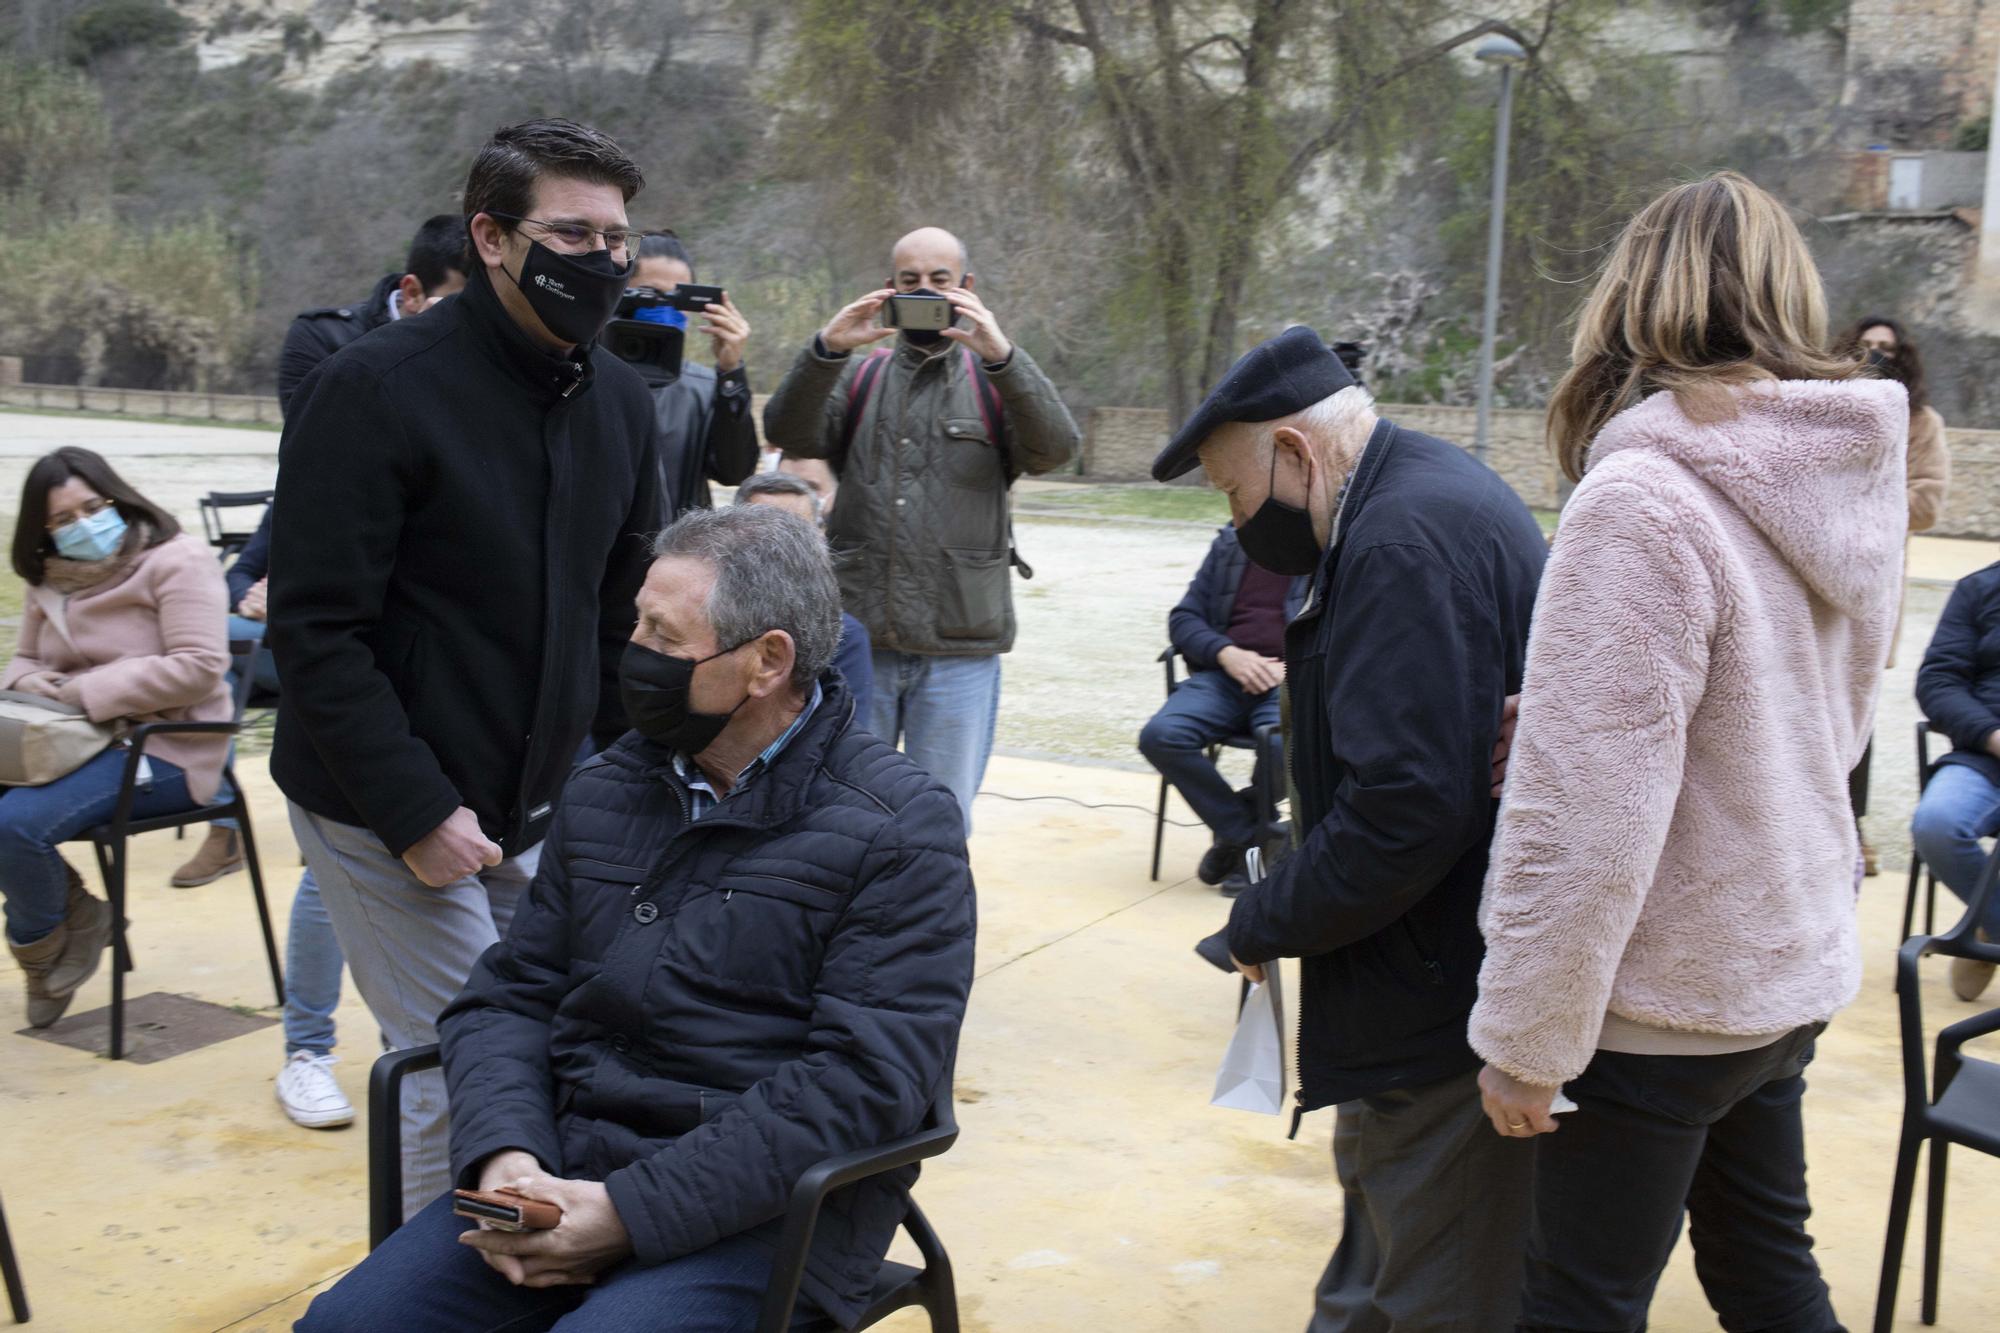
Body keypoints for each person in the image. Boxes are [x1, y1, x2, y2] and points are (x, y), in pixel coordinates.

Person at [295, 504, 975, 1333]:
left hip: (774, 1210)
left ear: (767, 660)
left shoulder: (897, 825)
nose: (635, 656)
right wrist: (507, 1154)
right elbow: (508, 997)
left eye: (663, 634)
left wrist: (626, 1211)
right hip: (562, 1171)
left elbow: (866, 1082)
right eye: (636, 626)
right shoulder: (609, 786)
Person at [1470, 172, 1906, 1331]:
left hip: (1662, 1001)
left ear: (1628, 293)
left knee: (1576, 1302)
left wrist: (1525, 1038)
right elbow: (1837, 724)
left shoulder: (1641, 498)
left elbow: (1588, 811)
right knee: (1766, 1267)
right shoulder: (1844, 485)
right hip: (1778, 964)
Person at [269, 119, 662, 1217]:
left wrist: (634, 799)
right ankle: (417, 1294)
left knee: (557, 1046)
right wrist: (414, 812)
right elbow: (316, 632)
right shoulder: (375, 388)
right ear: (491, 237)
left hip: (534, 798)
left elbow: (628, 624)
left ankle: (504, 1271)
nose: (602, 261)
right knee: (458, 1067)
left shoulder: (623, 405)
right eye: (571, 233)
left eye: (616, 238)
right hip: (378, 800)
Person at [1151, 325, 1548, 1329]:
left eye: (1233, 494)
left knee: (1425, 1285)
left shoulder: (1399, 537)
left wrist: (1261, 917)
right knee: (1375, 1267)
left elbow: (1405, 807)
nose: (1240, 527)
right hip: (1417, 983)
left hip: (1437, 998)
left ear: (1292, 453)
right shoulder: (1416, 495)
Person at [175, 216, 474, 895]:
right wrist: (263, 585)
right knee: (216, 653)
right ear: (414, 293)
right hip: (317, 561)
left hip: (398, 588)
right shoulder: (327, 339)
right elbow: (322, 462)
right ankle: (222, 821)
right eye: (460, 303)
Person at [763, 226, 1080, 832]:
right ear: (889, 289)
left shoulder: (997, 381)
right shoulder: (859, 379)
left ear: (967, 287)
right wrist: (827, 350)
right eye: (910, 281)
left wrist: (1004, 357)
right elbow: (790, 430)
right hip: (863, 642)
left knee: (941, 818)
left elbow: (1055, 449)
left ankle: (928, 928)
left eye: (940, 279)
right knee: (845, 810)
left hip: (960, 646)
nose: (925, 291)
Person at [2, 449, 231, 1027]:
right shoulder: (49, 577)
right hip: (69, 739)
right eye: (61, 520)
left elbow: (200, 664)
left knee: (13, 824)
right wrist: (34, 678)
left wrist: (87, 689)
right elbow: (23, 659)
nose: (82, 525)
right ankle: (78, 915)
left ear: (117, 499)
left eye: (93, 506)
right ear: (43, 530)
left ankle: (41, 954)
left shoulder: (176, 559)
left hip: (165, 746)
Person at [1836, 315, 1952, 876]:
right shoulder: (1822, 409)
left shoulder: (1921, 423)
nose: (1874, 355)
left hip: (1874, 583)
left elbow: (1928, 502)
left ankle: (1850, 830)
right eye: (1864, 347)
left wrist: (1868, 494)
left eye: (1885, 348)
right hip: (1812, 574)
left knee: (1859, 711)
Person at [1139, 525, 1308, 892]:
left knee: (1281, 744)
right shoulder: (1232, 542)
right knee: (1160, 736)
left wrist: (1295, 665)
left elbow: (1343, 629)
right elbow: (1183, 619)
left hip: (1288, 679)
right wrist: (1226, 653)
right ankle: (1251, 837)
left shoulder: (1325, 544)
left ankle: (1239, 837)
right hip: (1222, 676)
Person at [275, 213, 471, 418]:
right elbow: (313, 441)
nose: (474, 319)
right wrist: (422, 350)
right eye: (461, 305)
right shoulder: (318, 336)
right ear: (412, 293)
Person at [1912, 562, 2000, 1002]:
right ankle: (1993, 919)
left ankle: (1987, 924)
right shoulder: (1980, 588)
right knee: (1938, 823)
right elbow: (1938, 681)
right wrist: (1991, 735)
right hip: (1987, 753)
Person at [627, 231, 758, 516]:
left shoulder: (703, 386)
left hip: (673, 554)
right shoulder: (578, 372)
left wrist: (730, 373)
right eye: (651, 295)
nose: (666, 308)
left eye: (678, 299)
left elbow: (734, 471)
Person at [733, 472, 874, 717]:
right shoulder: (699, 616)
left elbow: (847, 731)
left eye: (797, 533)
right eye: (767, 533)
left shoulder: (844, 635)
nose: (783, 549)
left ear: (820, 537)